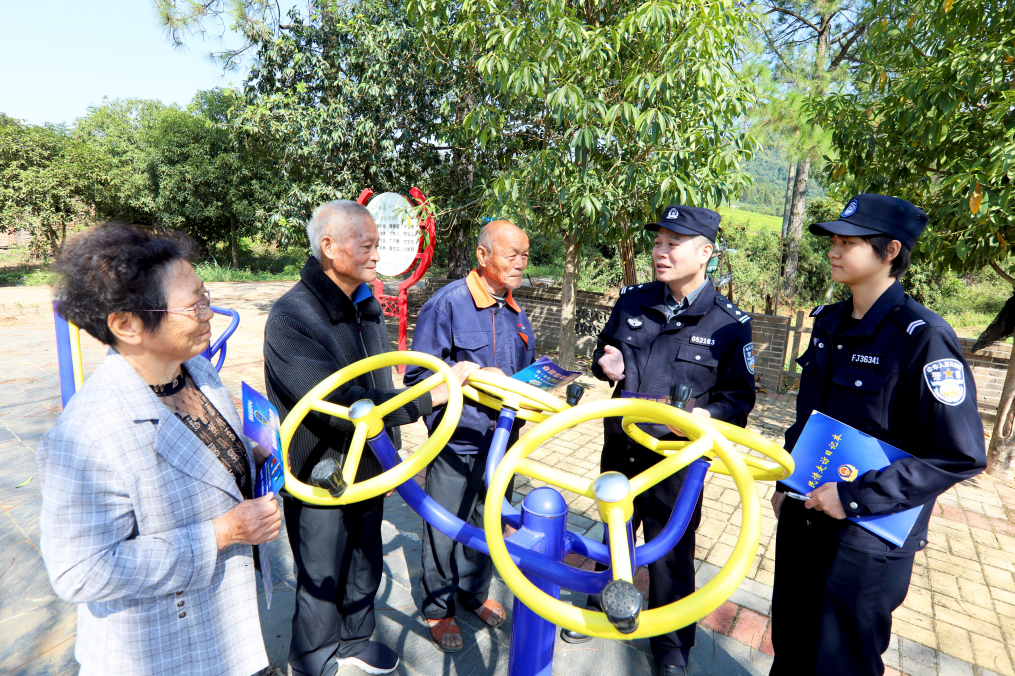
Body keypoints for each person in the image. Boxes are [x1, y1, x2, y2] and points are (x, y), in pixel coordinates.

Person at [37, 225, 282, 676]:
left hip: (227, 629)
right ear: (127, 324)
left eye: (206, 297)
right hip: (163, 651)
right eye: (194, 305)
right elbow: (81, 572)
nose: (208, 314)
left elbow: (200, 455)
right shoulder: (86, 435)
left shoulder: (196, 371)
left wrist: (248, 455)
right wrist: (221, 533)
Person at [768, 194, 987, 676]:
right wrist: (787, 485)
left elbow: (960, 454)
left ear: (890, 251)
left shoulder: (923, 338)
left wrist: (853, 497)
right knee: (790, 642)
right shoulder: (828, 323)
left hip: (865, 535)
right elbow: (811, 421)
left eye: (849, 242)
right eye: (833, 241)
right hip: (804, 520)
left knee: (842, 661)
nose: (834, 251)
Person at [263, 200, 476, 676]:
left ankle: (356, 639)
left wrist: (411, 407)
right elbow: (345, 405)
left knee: (365, 557)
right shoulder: (292, 315)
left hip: (372, 459)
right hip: (321, 468)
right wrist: (430, 397)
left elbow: (379, 384)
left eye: (377, 244)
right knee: (321, 571)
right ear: (329, 247)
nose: (377, 254)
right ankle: (313, 657)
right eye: (368, 244)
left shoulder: (365, 303)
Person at [563, 205, 756, 676]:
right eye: (658, 243)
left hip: (676, 459)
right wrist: (605, 366)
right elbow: (603, 353)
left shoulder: (728, 323)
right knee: (615, 530)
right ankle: (602, 602)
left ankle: (672, 648)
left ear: (705, 252)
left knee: (671, 551)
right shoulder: (633, 301)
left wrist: (702, 416)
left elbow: (739, 399)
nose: (660, 252)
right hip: (621, 447)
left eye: (674, 244)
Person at [403, 219, 536, 652]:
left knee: (488, 520)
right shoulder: (447, 306)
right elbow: (419, 380)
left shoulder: (517, 313)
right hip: (456, 443)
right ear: (483, 256)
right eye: (511, 255)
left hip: (504, 443)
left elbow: (523, 375)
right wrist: (465, 387)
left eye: (525, 256)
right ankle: (438, 608)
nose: (520, 264)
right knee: (445, 525)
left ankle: (474, 592)